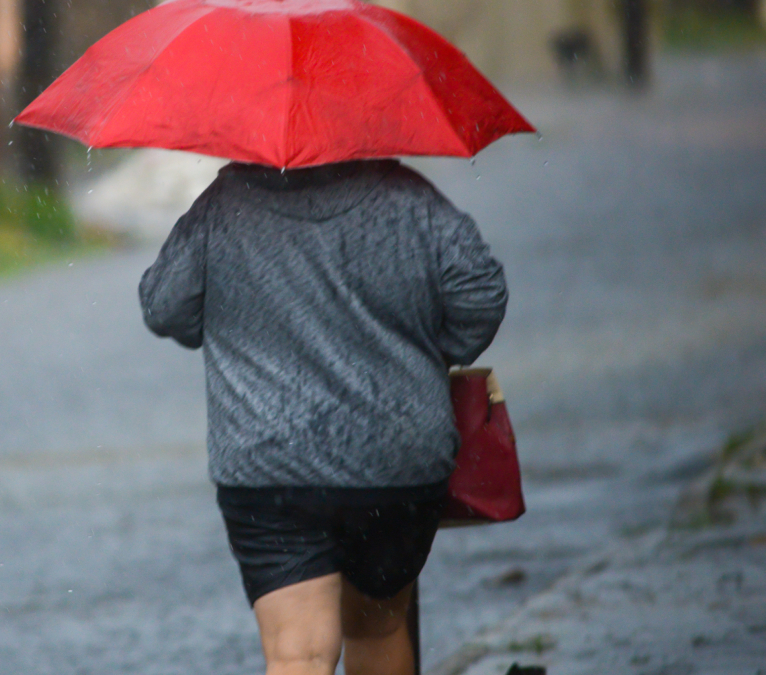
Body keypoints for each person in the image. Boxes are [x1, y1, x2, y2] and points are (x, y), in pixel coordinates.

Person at [138, 159, 508, 675]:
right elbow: (481, 295)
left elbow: (164, 306)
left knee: (298, 654)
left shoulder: (224, 206)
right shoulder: (412, 199)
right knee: (379, 629)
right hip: (394, 458)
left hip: (270, 464)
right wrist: (428, 355)